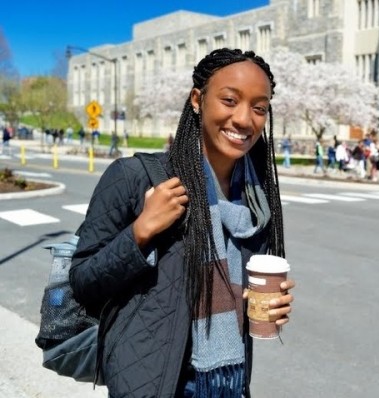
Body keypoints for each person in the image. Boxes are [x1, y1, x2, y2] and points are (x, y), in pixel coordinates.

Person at [69, 48, 295, 397]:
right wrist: (141, 232)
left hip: (229, 381)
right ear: (197, 100)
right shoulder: (136, 177)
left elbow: (236, 299)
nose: (244, 119)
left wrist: (265, 306)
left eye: (259, 107)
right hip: (154, 381)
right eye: (230, 100)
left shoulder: (256, 200)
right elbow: (83, 282)